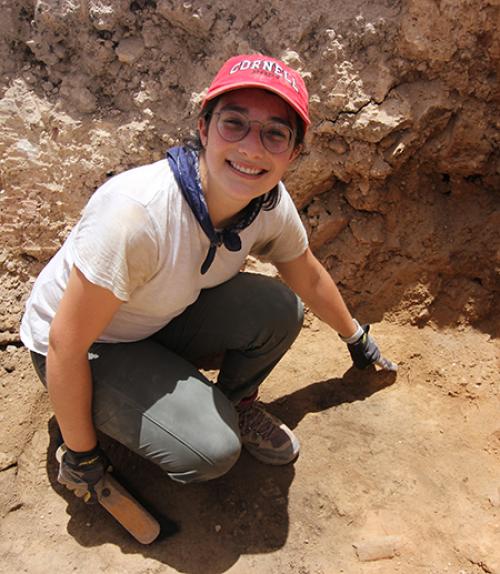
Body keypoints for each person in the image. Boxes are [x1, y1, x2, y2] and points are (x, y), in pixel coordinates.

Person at [20, 54, 390, 503]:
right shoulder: (138, 217)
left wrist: (355, 337)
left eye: (275, 133)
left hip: (154, 317)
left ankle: (233, 403)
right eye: (234, 123)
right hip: (87, 344)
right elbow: (65, 342)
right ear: (204, 127)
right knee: (211, 450)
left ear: (293, 153)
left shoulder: (266, 202)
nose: (252, 148)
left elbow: (306, 274)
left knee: (279, 308)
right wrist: (82, 455)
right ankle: (86, 416)